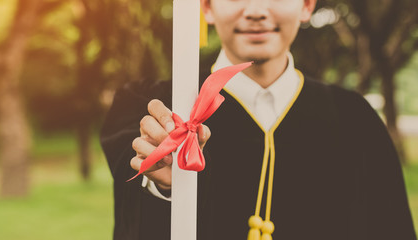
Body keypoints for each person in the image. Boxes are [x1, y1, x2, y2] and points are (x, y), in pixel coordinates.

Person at [100, 0, 417, 239]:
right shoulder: (159, 109)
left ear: (306, 6)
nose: (255, 10)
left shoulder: (355, 120)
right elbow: (135, 222)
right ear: (207, 8)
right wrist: (163, 186)